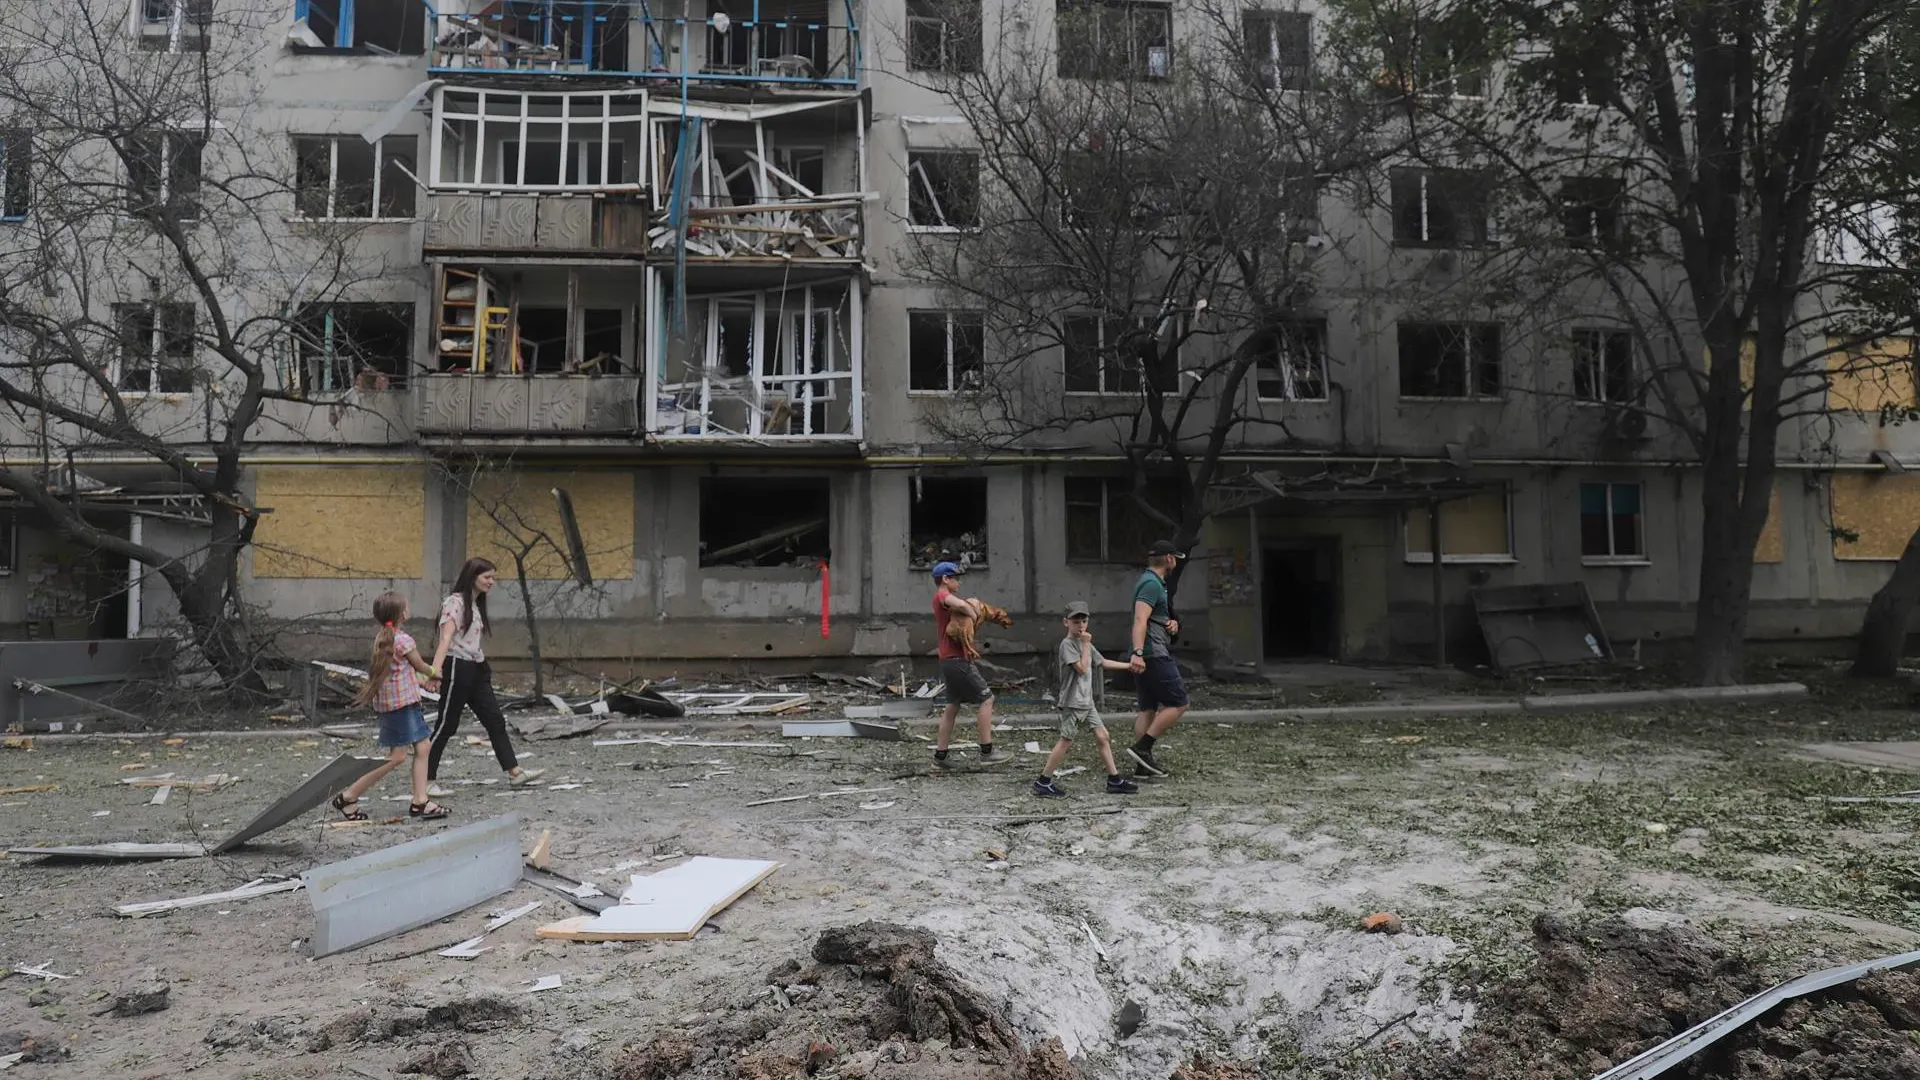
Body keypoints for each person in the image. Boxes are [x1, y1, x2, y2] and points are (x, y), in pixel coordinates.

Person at [425, 558, 544, 790]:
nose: (492, 582)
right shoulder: (454, 603)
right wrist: (434, 671)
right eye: (487, 577)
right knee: (447, 724)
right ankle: (426, 780)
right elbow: (445, 639)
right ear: (472, 577)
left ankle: (514, 772)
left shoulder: (475, 605)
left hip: (476, 667)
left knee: (495, 720)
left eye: (493, 577)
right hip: (457, 666)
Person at [331, 592, 450, 820]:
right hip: (402, 705)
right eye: (407, 606)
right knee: (397, 757)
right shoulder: (403, 640)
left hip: (397, 703)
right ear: (402, 613)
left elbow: (401, 670)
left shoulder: (383, 638)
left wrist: (420, 680)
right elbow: (418, 664)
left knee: (423, 748)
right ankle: (349, 796)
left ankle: (420, 801)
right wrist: (435, 672)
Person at [1034, 601, 1139, 797]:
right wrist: (1085, 645)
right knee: (1065, 740)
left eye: (1084, 621)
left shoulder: (1085, 644)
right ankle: (1043, 781)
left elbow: (1100, 662)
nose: (1080, 625)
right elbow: (1081, 669)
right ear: (1066, 622)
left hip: (1086, 701)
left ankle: (1114, 780)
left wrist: (1128, 666)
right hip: (1073, 702)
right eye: (1076, 621)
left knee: (1102, 736)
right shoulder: (1068, 645)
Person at [930, 561, 1008, 769]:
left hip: (948, 660)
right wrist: (974, 616)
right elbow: (963, 605)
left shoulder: (942, 598)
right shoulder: (941, 596)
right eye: (955, 578)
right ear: (945, 579)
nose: (959, 582)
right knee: (987, 699)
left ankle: (940, 756)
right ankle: (987, 751)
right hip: (957, 660)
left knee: (953, 706)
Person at [1126, 540, 1189, 781]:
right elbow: (1140, 620)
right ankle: (1143, 747)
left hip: (1150, 650)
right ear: (1170, 559)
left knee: (1148, 708)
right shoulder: (1151, 584)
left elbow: (1153, 618)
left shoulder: (1153, 583)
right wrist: (1139, 652)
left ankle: (1142, 766)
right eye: (1175, 557)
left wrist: (1172, 624)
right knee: (1179, 703)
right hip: (1153, 654)